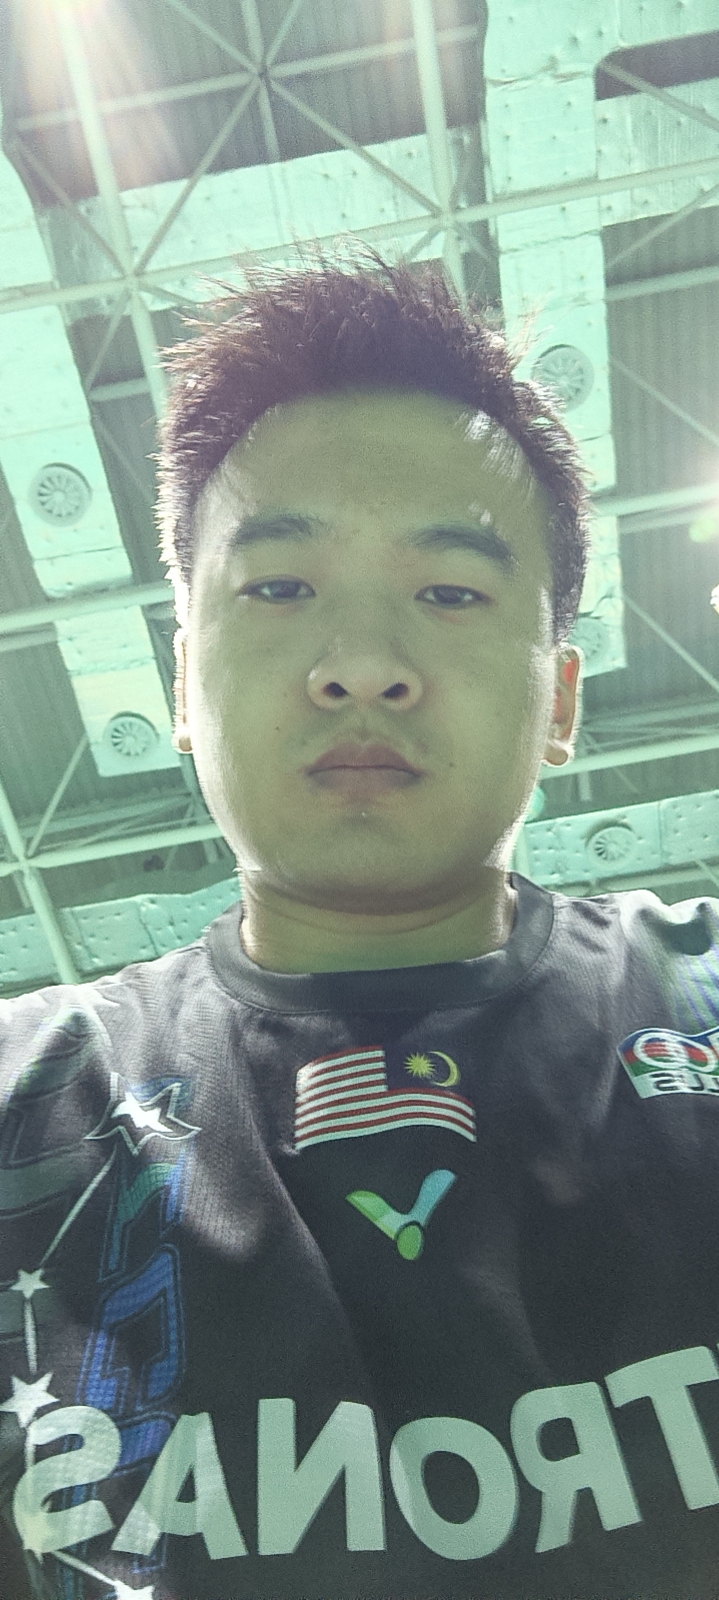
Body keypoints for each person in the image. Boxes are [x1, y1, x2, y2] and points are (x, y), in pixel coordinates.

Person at [1, 256, 719, 1600]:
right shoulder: (24, 1104)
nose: (362, 664)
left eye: (451, 592)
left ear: (561, 698)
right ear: (184, 686)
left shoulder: (707, 1007)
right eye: (280, 589)